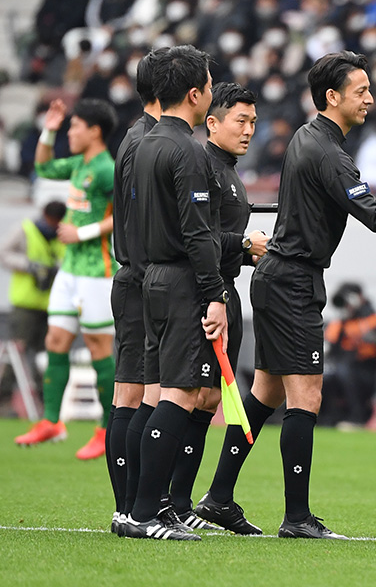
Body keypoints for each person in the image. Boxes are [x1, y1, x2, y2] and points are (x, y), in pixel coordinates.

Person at [194, 51, 376, 540]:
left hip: (284, 277)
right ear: (333, 97)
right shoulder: (328, 152)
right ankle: (297, 518)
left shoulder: (309, 139)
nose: (369, 97)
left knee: (265, 394)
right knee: (306, 398)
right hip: (292, 282)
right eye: (361, 90)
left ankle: (218, 498)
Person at [119, 44, 224, 541]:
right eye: (208, 84)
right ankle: (144, 513)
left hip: (149, 279)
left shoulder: (143, 143)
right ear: (194, 92)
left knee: (153, 396)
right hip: (181, 282)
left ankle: (136, 509)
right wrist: (216, 294)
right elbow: (198, 233)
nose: (210, 93)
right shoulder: (187, 150)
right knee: (179, 397)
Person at [166, 81, 269, 529]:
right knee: (190, 397)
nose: (248, 131)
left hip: (225, 289)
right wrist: (245, 244)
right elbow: (197, 237)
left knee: (207, 400)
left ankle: (185, 504)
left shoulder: (229, 170)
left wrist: (245, 251)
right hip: (205, 294)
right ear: (212, 122)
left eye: (253, 122)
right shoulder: (202, 166)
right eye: (240, 121)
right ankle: (171, 502)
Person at [14, 97, 118, 462]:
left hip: (98, 271)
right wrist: (50, 127)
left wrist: (85, 232)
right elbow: (42, 166)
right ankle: (51, 421)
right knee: (55, 338)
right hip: (70, 269)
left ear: (94, 131)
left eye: (74, 126)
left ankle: (107, 430)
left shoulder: (106, 169)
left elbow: (124, 214)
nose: (69, 132)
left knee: (97, 347)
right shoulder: (78, 163)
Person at [106, 48, 165, 536]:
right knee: (135, 395)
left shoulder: (134, 137)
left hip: (133, 275)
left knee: (135, 394)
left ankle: (130, 508)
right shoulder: (148, 141)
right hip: (141, 278)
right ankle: (130, 509)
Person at [0, 200, 67, 414]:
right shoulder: (25, 230)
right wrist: (29, 266)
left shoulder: (63, 235)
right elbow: (2, 253)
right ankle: (4, 401)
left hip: (51, 305)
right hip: (25, 304)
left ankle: (46, 404)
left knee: (46, 356)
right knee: (17, 353)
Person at [321, 282, 376, 429]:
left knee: (345, 371)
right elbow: (330, 351)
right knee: (326, 375)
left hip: (364, 372)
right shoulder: (338, 324)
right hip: (339, 371)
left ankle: (356, 417)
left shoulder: (372, 322)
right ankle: (326, 417)